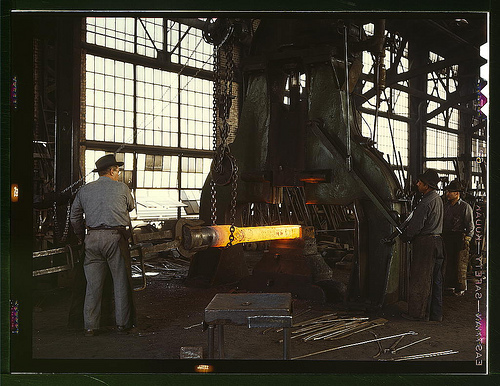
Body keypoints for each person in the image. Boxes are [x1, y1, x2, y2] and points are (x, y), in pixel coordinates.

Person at [70, 154, 136, 336]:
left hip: (91, 238)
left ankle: (90, 326)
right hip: (115, 238)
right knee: (120, 282)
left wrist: (80, 236)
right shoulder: (122, 188)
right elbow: (131, 207)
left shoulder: (84, 190)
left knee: (92, 286)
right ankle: (122, 324)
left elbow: (74, 217)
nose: (118, 174)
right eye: (117, 171)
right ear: (112, 171)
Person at [401, 169, 444, 322]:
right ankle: (435, 314)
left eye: (420, 182)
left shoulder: (426, 202)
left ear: (427, 185)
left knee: (420, 279)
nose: (417, 183)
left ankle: (417, 314)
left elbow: (416, 226)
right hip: (437, 242)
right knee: (435, 280)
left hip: (425, 244)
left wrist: (406, 236)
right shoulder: (437, 199)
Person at [442, 179, 474, 296]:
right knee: (448, 262)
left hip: (459, 238)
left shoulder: (465, 207)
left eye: (450, 192)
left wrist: (468, 238)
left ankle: (460, 287)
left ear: (457, 193)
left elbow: (470, 225)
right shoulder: (446, 207)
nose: (447, 194)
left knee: (460, 263)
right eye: (447, 191)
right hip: (447, 237)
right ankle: (449, 285)